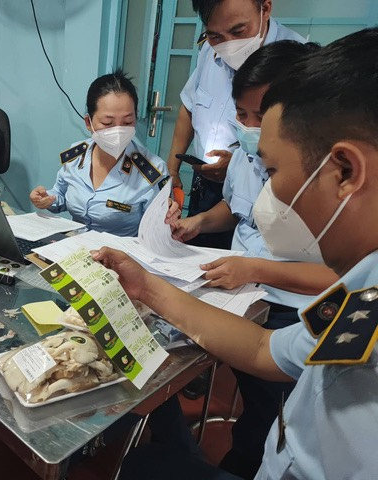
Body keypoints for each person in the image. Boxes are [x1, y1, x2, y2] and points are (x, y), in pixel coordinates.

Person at [95, 27, 378, 479]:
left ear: (345, 169)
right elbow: (266, 349)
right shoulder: (365, 290)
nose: (269, 196)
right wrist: (147, 286)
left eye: (274, 170)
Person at [170, 40, 338, 478]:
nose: (248, 127)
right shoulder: (248, 154)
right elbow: (238, 208)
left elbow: (342, 276)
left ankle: (247, 456)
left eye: (260, 117)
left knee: (273, 409)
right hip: (243, 292)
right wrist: (199, 223)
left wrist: (258, 268)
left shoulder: (325, 179)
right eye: (240, 115)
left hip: (289, 305)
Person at [166, 0, 303, 249]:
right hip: (220, 188)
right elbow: (190, 104)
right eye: (215, 35)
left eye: (238, 31)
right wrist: (173, 171)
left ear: (266, 7)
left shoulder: (297, 64)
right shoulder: (210, 50)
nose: (228, 44)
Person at [30, 70, 178, 237]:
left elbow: (156, 234)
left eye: (127, 122)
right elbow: (61, 195)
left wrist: (168, 222)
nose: (118, 131)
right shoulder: (75, 155)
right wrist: (48, 199)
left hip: (122, 256)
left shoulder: (152, 171)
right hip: (74, 247)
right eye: (108, 123)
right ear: (88, 122)